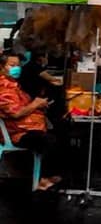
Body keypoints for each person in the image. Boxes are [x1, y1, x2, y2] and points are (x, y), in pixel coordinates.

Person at [0, 53, 62, 190]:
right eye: (12, 65)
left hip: (29, 127)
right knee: (49, 140)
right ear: (2, 67)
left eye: (18, 65)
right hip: (17, 133)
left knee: (60, 132)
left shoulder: (16, 86)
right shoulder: (3, 89)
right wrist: (35, 104)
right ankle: (45, 179)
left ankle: (49, 178)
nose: (16, 68)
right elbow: (15, 113)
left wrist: (39, 104)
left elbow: (26, 105)